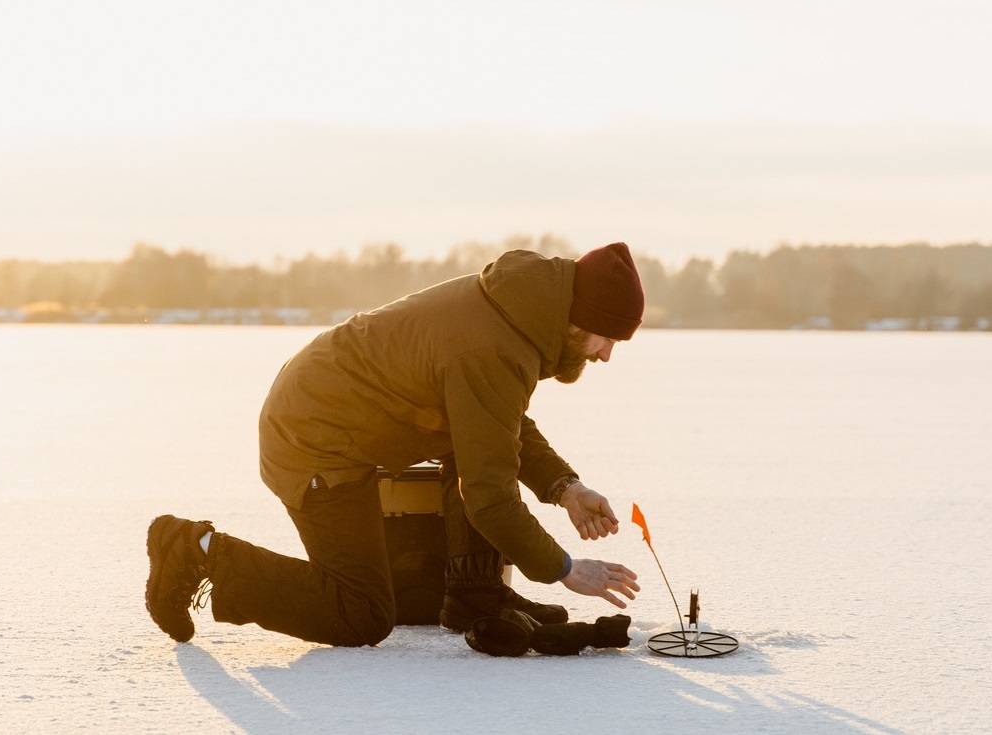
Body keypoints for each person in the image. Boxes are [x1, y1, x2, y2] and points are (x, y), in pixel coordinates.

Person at [145, 243, 644, 647]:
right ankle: (195, 550)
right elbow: (490, 497)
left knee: (471, 448)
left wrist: (565, 487)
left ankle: (476, 594)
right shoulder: (493, 347)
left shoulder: (517, 313)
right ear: (580, 317)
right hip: (314, 438)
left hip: (335, 412)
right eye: (608, 339)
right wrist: (564, 569)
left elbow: (495, 423)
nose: (605, 356)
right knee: (359, 613)